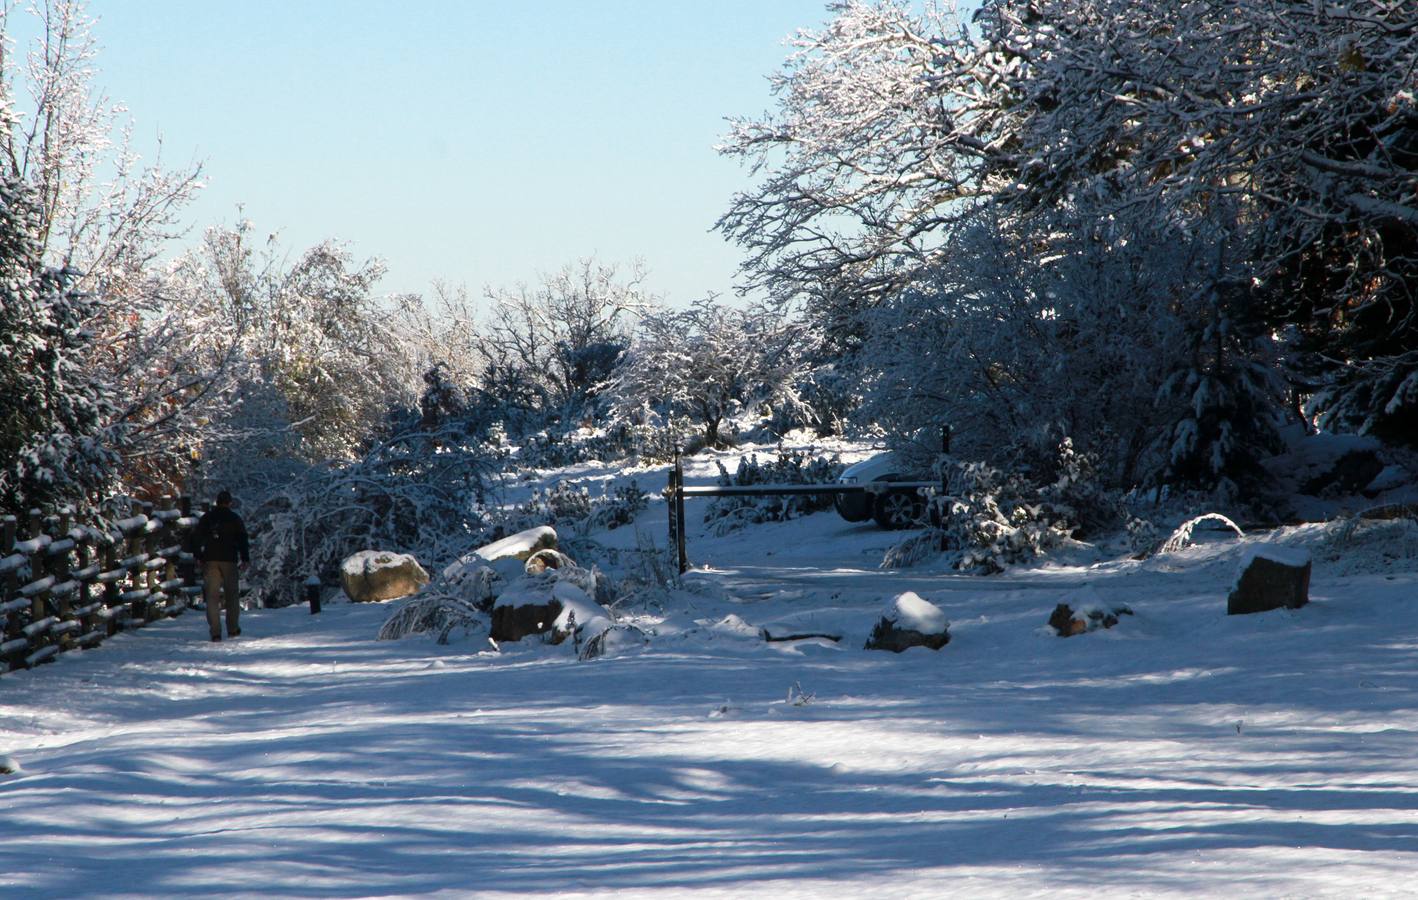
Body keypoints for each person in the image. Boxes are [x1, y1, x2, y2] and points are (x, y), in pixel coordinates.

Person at [191, 490, 250, 642]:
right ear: (229, 502)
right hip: (229, 560)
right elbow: (242, 539)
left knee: (211, 596)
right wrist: (245, 558)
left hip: (210, 559)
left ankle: (215, 632)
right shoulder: (234, 518)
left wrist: (198, 555)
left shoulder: (207, 518)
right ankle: (233, 628)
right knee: (232, 596)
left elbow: (197, 537)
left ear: (217, 502)